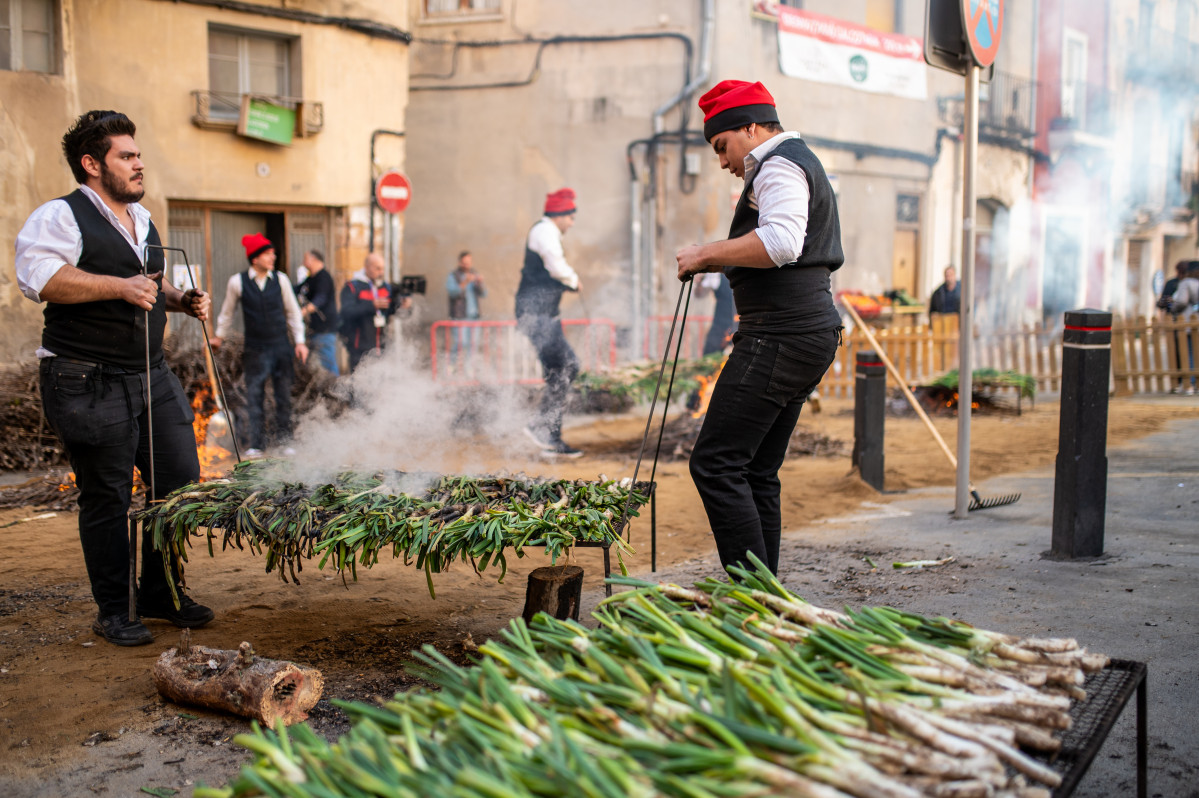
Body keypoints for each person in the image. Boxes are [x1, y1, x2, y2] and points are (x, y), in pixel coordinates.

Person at [14, 110, 214, 646]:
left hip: (150, 374)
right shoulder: (59, 216)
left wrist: (179, 299)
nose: (138, 163)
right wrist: (118, 287)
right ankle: (115, 608)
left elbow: (150, 283)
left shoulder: (143, 220)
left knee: (177, 481)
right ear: (91, 164)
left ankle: (161, 591)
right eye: (126, 156)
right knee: (106, 496)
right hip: (86, 378)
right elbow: (44, 280)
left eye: (137, 154)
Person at [675, 80, 843, 576]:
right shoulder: (789, 160)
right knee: (756, 472)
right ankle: (766, 600)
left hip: (782, 336)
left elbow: (783, 242)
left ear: (750, 127)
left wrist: (705, 253)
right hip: (805, 334)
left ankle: (752, 596)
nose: (722, 160)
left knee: (716, 464)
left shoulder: (781, 163)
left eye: (721, 146)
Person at [211, 234, 308, 457]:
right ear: (254, 258)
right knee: (255, 395)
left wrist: (300, 341)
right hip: (255, 348)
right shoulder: (238, 282)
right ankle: (257, 444)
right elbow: (227, 312)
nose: (273, 257)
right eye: (267, 254)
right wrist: (219, 336)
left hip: (280, 346)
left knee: (283, 394)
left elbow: (293, 312)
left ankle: (285, 441)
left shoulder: (281, 280)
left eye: (272, 253)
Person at [516, 188, 584, 457]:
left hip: (543, 316)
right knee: (568, 366)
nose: (572, 222)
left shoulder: (547, 231)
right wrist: (573, 280)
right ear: (560, 214)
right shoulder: (545, 231)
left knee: (559, 372)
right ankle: (540, 427)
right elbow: (556, 266)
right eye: (571, 216)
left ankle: (550, 436)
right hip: (537, 316)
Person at [340, 252, 411, 371]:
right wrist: (371, 305)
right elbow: (346, 312)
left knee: (380, 384)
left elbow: (393, 311)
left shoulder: (386, 287)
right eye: (377, 268)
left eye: (382, 269)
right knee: (359, 385)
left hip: (382, 346)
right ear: (367, 267)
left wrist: (404, 305)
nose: (381, 272)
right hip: (359, 348)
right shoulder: (352, 287)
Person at [296, 249, 340, 375]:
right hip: (313, 330)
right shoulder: (310, 278)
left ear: (313, 260)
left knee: (328, 363)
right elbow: (296, 290)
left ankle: (337, 390)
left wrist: (303, 311)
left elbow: (320, 299)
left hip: (324, 330)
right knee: (311, 364)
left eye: (305, 259)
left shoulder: (323, 277)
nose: (303, 262)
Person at [445, 250, 487, 369]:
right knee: (460, 343)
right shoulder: (453, 276)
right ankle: (451, 366)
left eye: (469, 262)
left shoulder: (475, 273)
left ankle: (469, 370)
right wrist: (465, 282)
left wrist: (480, 283)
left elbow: (484, 294)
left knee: (473, 345)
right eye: (464, 263)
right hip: (459, 316)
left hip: (474, 317)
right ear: (460, 262)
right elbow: (452, 292)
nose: (467, 265)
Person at [1164, 261, 1199, 394]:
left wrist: (1172, 307)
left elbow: (1182, 302)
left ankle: (1189, 383)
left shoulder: (1187, 283)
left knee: (1188, 353)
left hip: (1188, 321)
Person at [697, 272, 737, 355]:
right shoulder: (715, 273)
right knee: (709, 356)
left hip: (741, 323)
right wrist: (699, 283)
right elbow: (700, 294)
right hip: (720, 324)